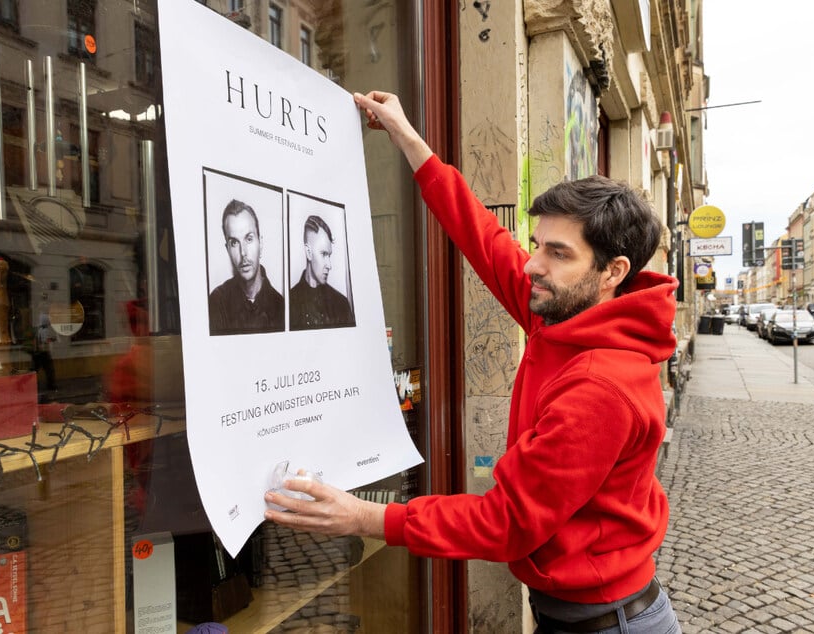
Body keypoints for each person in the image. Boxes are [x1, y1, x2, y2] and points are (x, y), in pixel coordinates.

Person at [264, 90, 681, 633]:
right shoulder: (563, 313)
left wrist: (365, 517)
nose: (533, 264)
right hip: (583, 612)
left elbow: (507, 521)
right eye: (538, 244)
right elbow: (483, 237)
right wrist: (408, 139)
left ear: (613, 272)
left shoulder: (602, 386)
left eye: (558, 253)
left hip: (606, 623)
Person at [208, 199, 284, 335]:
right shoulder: (217, 302)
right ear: (228, 250)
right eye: (234, 243)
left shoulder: (281, 306)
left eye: (249, 239)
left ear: (260, 243)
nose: (243, 252)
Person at [289, 214, 356, 330]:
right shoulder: (288, 304)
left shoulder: (341, 304)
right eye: (323, 254)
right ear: (308, 252)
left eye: (329, 255)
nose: (329, 265)